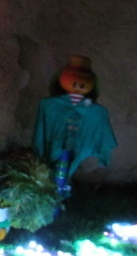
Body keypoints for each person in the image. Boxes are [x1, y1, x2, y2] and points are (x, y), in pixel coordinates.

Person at [33, 56, 117, 198]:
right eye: (73, 77)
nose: (79, 84)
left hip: (76, 145)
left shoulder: (93, 109)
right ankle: (51, 194)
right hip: (56, 143)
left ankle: (59, 194)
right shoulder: (50, 105)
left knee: (68, 167)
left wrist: (103, 152)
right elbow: (43, 125)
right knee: (53, 167)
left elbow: (99, 118)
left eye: (85, 79)